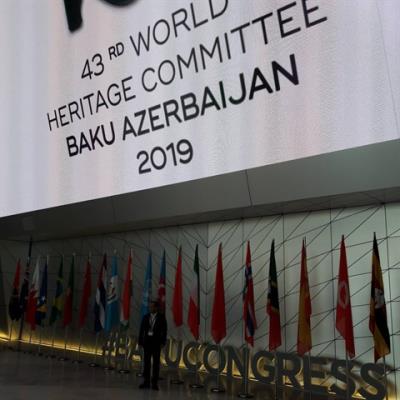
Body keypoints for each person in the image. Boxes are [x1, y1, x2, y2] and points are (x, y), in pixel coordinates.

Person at [138, 300, 167, 390]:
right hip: (147, 343)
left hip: (156, 343)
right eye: (149, 307)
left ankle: (154, 383)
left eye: (152, 307)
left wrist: (163, 342)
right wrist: (140, 341)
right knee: (146, 363)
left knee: (156, 364)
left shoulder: (161, 317)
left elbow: (164, 330)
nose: (150, 308)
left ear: (156, 308)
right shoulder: (146, 317)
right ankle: (146, 382)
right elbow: (141, 329)